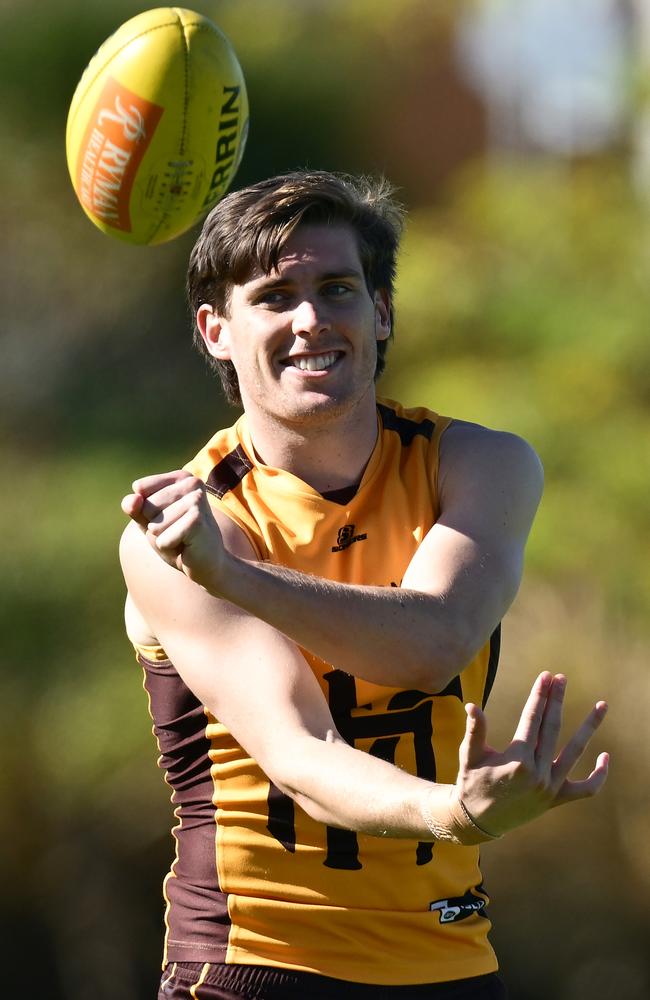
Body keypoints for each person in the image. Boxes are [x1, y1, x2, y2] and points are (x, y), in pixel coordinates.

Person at [120, 171, 609, 1000]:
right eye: (275, 296)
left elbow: (434, 641)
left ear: (380, 312)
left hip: (451, 956)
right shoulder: (183, 524)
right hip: (254, 963)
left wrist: (236, 577)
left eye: (338, 288)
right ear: (215, 331)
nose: (312, 318)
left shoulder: (478, 464)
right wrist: (456, 812)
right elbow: (302, 756)